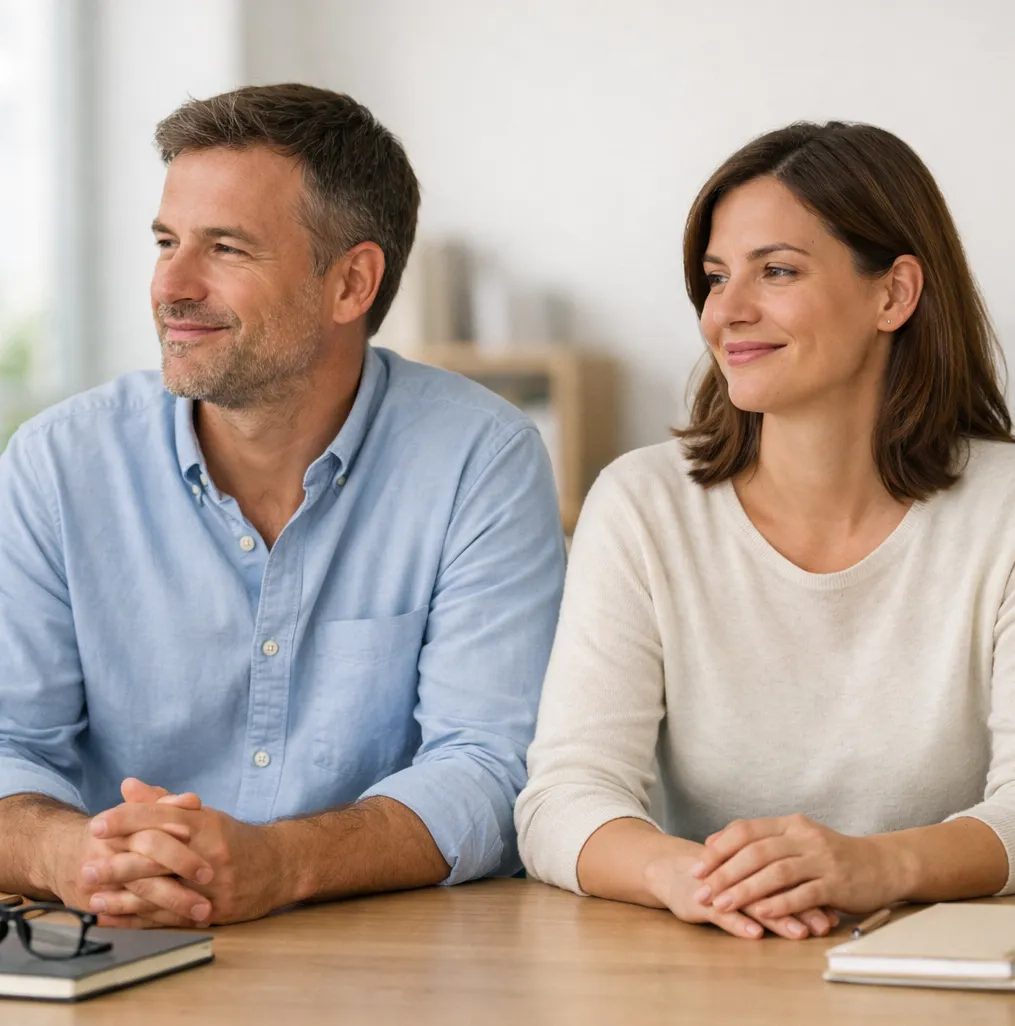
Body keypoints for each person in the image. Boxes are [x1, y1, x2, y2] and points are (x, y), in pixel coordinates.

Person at [0, 84, 565, 928]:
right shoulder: (57, 463)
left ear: (351, 283)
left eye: (225, 248)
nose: (171, 286)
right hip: (116, 938)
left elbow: (490, 763)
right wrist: (76, 857)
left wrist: (280, 863)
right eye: (166, 242)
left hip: (386, 951)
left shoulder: (479, 459)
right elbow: (9, 744)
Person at [516, 121, 1015, 941]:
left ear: (893, 294)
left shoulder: (1001, 511)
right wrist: (692, 878)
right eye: (715, 278)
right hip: (718, 958)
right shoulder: (642, 505)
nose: (727, 313)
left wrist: (877, 866)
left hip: (943, 972)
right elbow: (563, 799)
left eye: (776, 271)